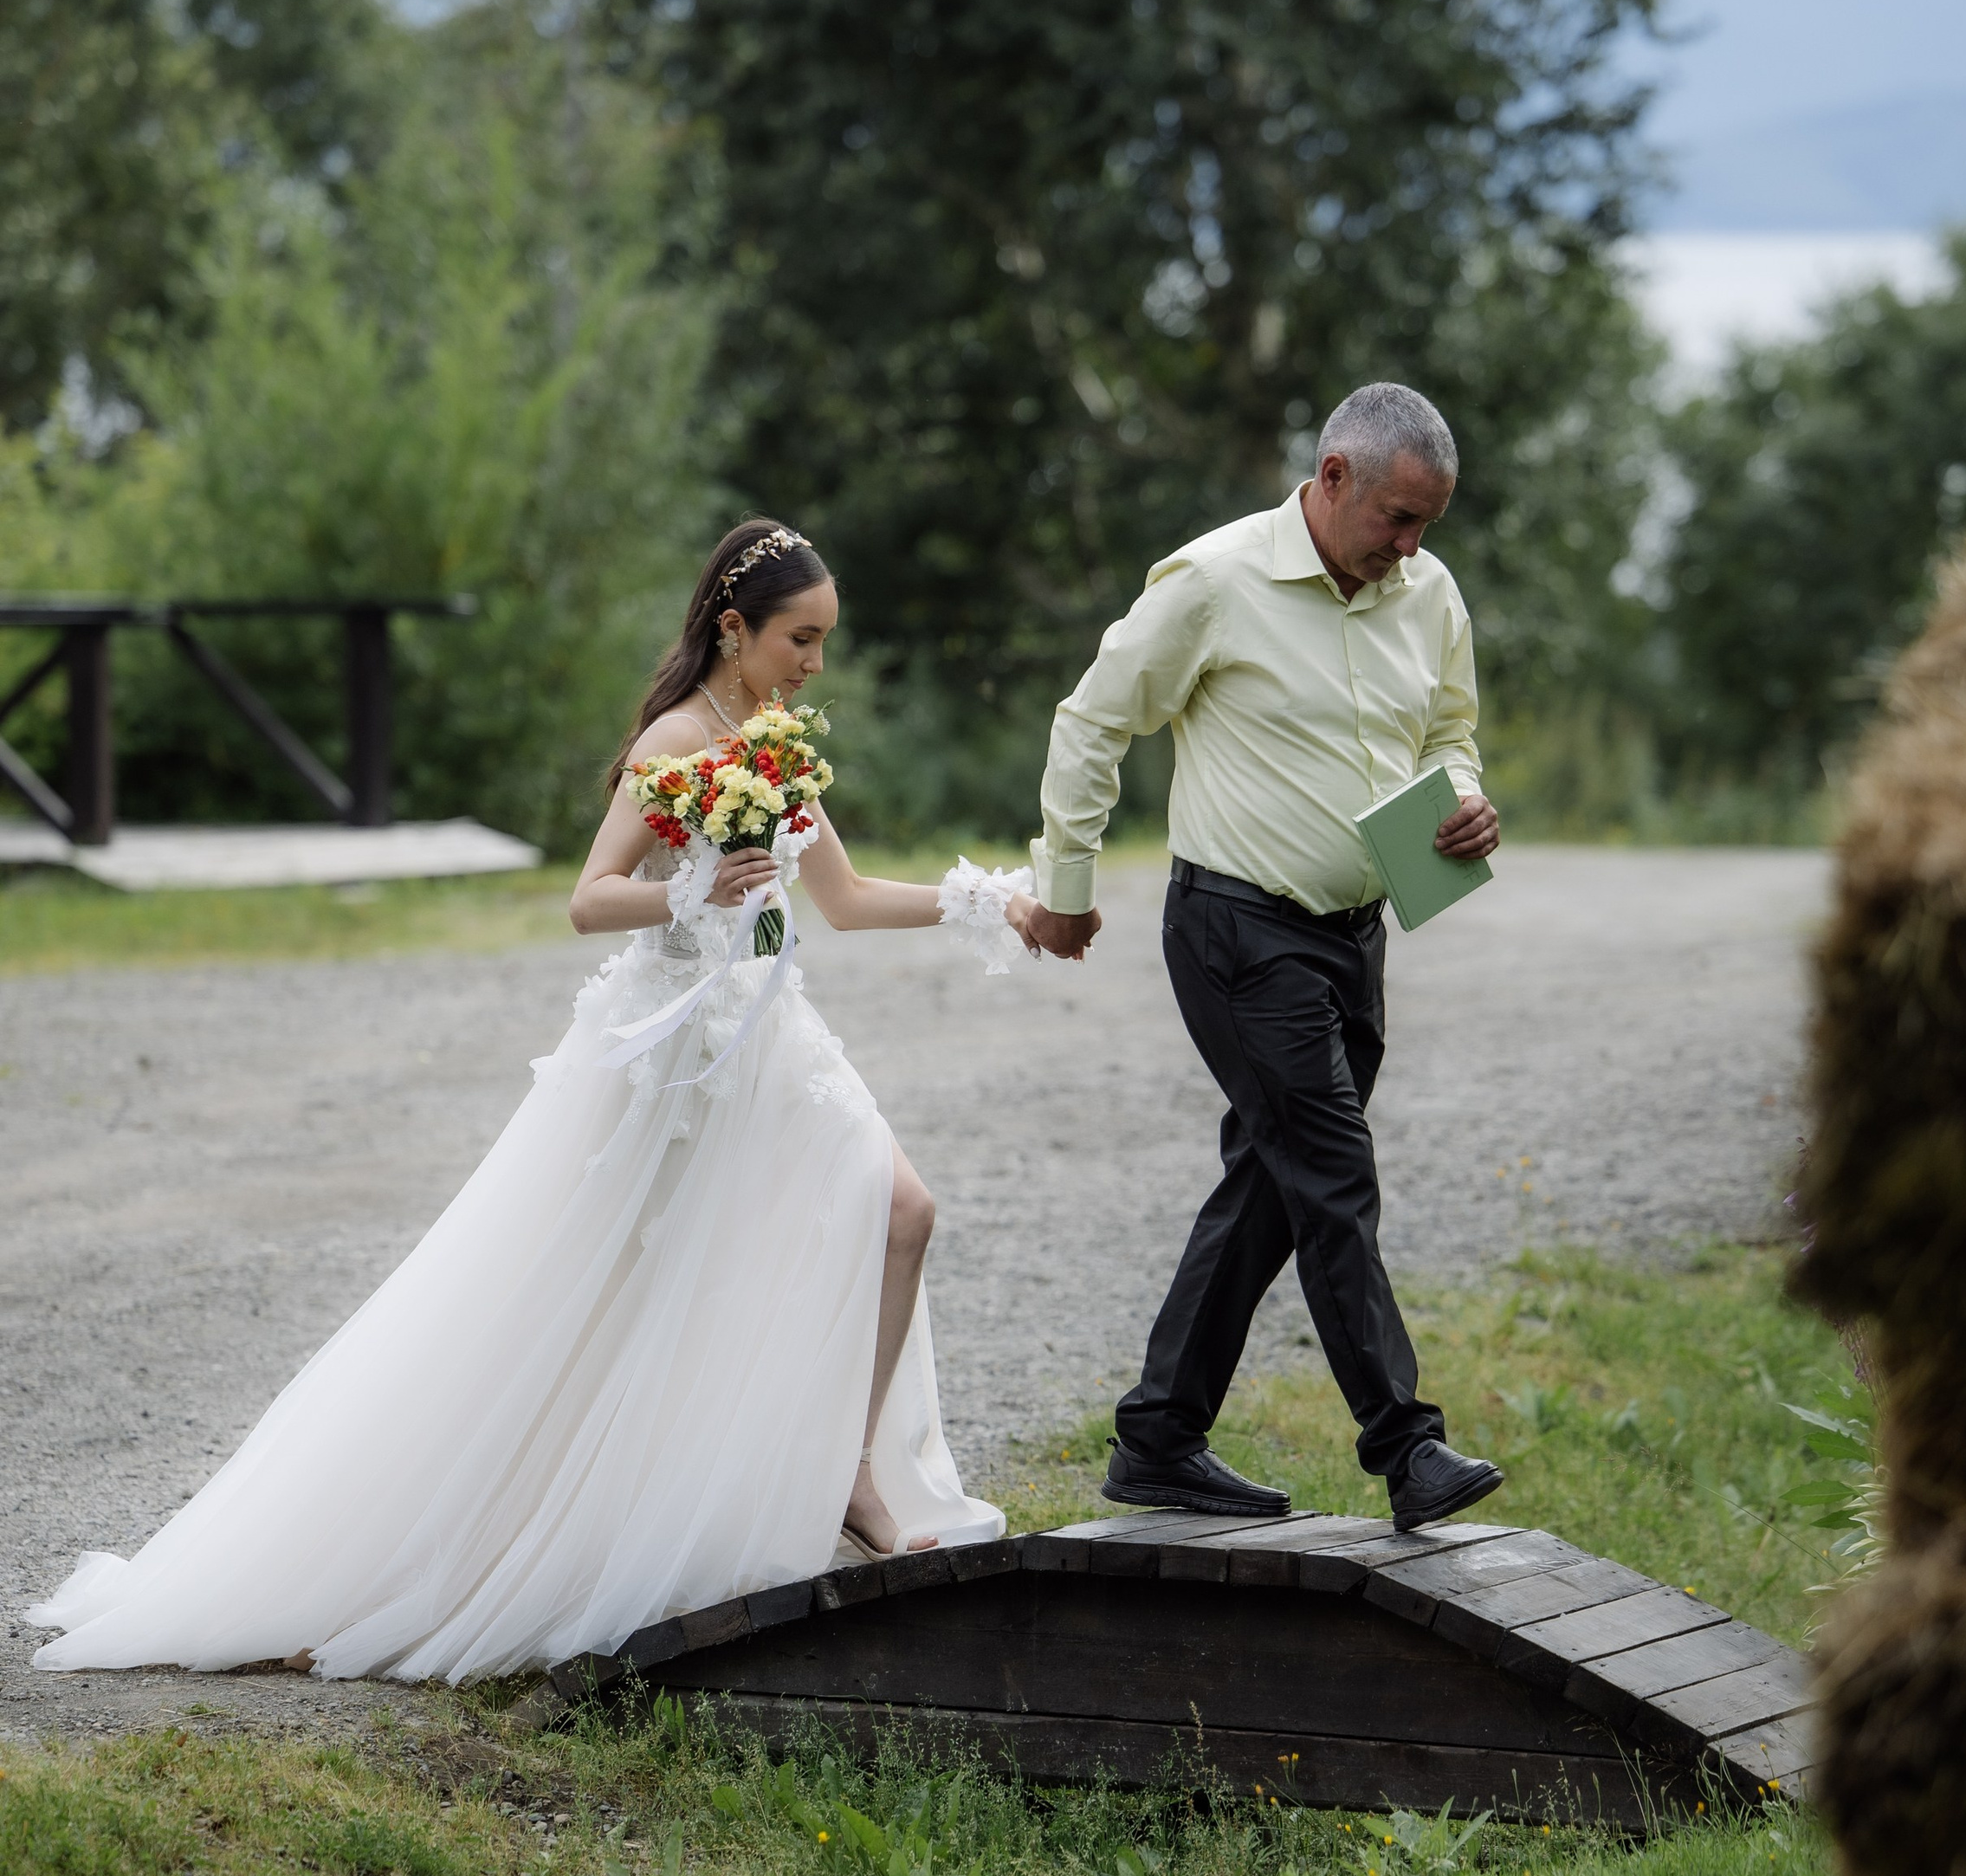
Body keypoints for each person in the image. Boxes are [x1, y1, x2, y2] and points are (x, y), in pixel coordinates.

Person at [29, 521, 1034, 1683]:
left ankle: (846, 1472)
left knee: (902, 1213)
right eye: (802, 640)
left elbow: (844, 899)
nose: (816, 662)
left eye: (823, 642)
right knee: (603, 1297)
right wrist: (694, 893)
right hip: (679, 1043)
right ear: (734, 628)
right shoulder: (677, 741)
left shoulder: (769, 738)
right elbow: (590, 899)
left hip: (771, 1028)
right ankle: (478, 1532)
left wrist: (987, 905)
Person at [1029, 382, 1505, 1532]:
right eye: (1396, 518)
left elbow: (1449, 730)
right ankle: (1408, 1450)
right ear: (1332, 477)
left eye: (1427, 525)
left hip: (1357, 934)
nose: (1409, 548)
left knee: (1278, 1190)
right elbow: (1092, 719)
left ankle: (1158, 1439)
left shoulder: (1427, 593)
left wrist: (1469, 797)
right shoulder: (1213, 582)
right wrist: (1066, 890)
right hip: (1237, 932)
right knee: (1334, 1177)